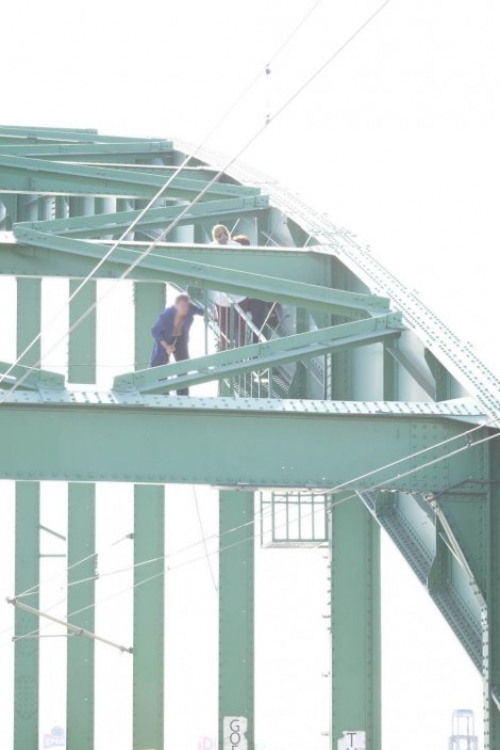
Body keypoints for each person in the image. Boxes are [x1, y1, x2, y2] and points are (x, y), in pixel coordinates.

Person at [150, 293, 203, 395]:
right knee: (160, 365)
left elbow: (202, 312)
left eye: (186, 306)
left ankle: (183, 395)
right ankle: (164, 394)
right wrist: (166, 346)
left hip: (180, 338)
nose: (185, 309)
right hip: (165, 340)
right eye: (182, 306)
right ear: (176, 306)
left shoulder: (190, 309)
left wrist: (213, 316)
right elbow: (155, 330)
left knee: (183, 365)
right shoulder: (167, 315)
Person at [210, 224, 245, 350]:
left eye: (224, 233)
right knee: (223, 327)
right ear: (215, 237)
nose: (223, 237)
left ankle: (242, 350)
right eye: (219, 235)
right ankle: (225, 350)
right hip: (221, 297)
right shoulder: (210, 249)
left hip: (238, 295)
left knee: (241, 325)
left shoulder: (236, 246)